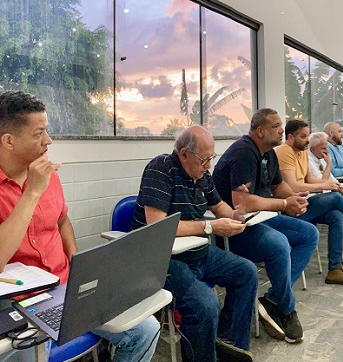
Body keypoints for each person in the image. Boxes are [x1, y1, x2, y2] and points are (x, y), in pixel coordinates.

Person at [0, 91, 159, 362]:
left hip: (66, 288)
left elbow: (62, 220)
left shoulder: (49, 176)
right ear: (8, 141)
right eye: (38, 133)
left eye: (46, 131)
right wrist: (32, 193)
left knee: (146, 330)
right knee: (29, 355)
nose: (48, 140)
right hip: (19, 302)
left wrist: (76, 261)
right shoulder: (38, 180)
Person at [132, 125, 257, 362]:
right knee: (205, 304)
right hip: (162, 259)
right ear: (183, 154)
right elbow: (158, 225)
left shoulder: (202, 175)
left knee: (246, 272)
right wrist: (210, 227)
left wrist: (236, 214)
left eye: (211, 158)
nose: (208, 165)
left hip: (196, 253)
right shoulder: (161, 169)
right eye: (204, 159)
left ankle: (228, 343)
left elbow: (218, 207)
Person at [212, 108, 318, 343]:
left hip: (261, 219)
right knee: (279, 244)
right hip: (234, 227)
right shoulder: (243, 152)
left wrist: (295, 198)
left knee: (309, 234)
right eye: (276, 126)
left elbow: (278, 186)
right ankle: (287, 309)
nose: (281, 130)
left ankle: (272, 299)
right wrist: (284, 204)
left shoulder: (269, 153)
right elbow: (243, 202)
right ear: (260, 131)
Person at [274, 119, 343, 286]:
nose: (307, 140)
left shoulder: (302, 151)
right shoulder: (284, 151)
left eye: (307, 136)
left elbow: (310, 179)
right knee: (337, 198)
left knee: (337, 215)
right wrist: (324, 185)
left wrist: (329, 183)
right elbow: (292, 186)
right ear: (290, 137)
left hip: (305, 201)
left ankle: (335, 269)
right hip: (291, 207)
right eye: (303, 136)